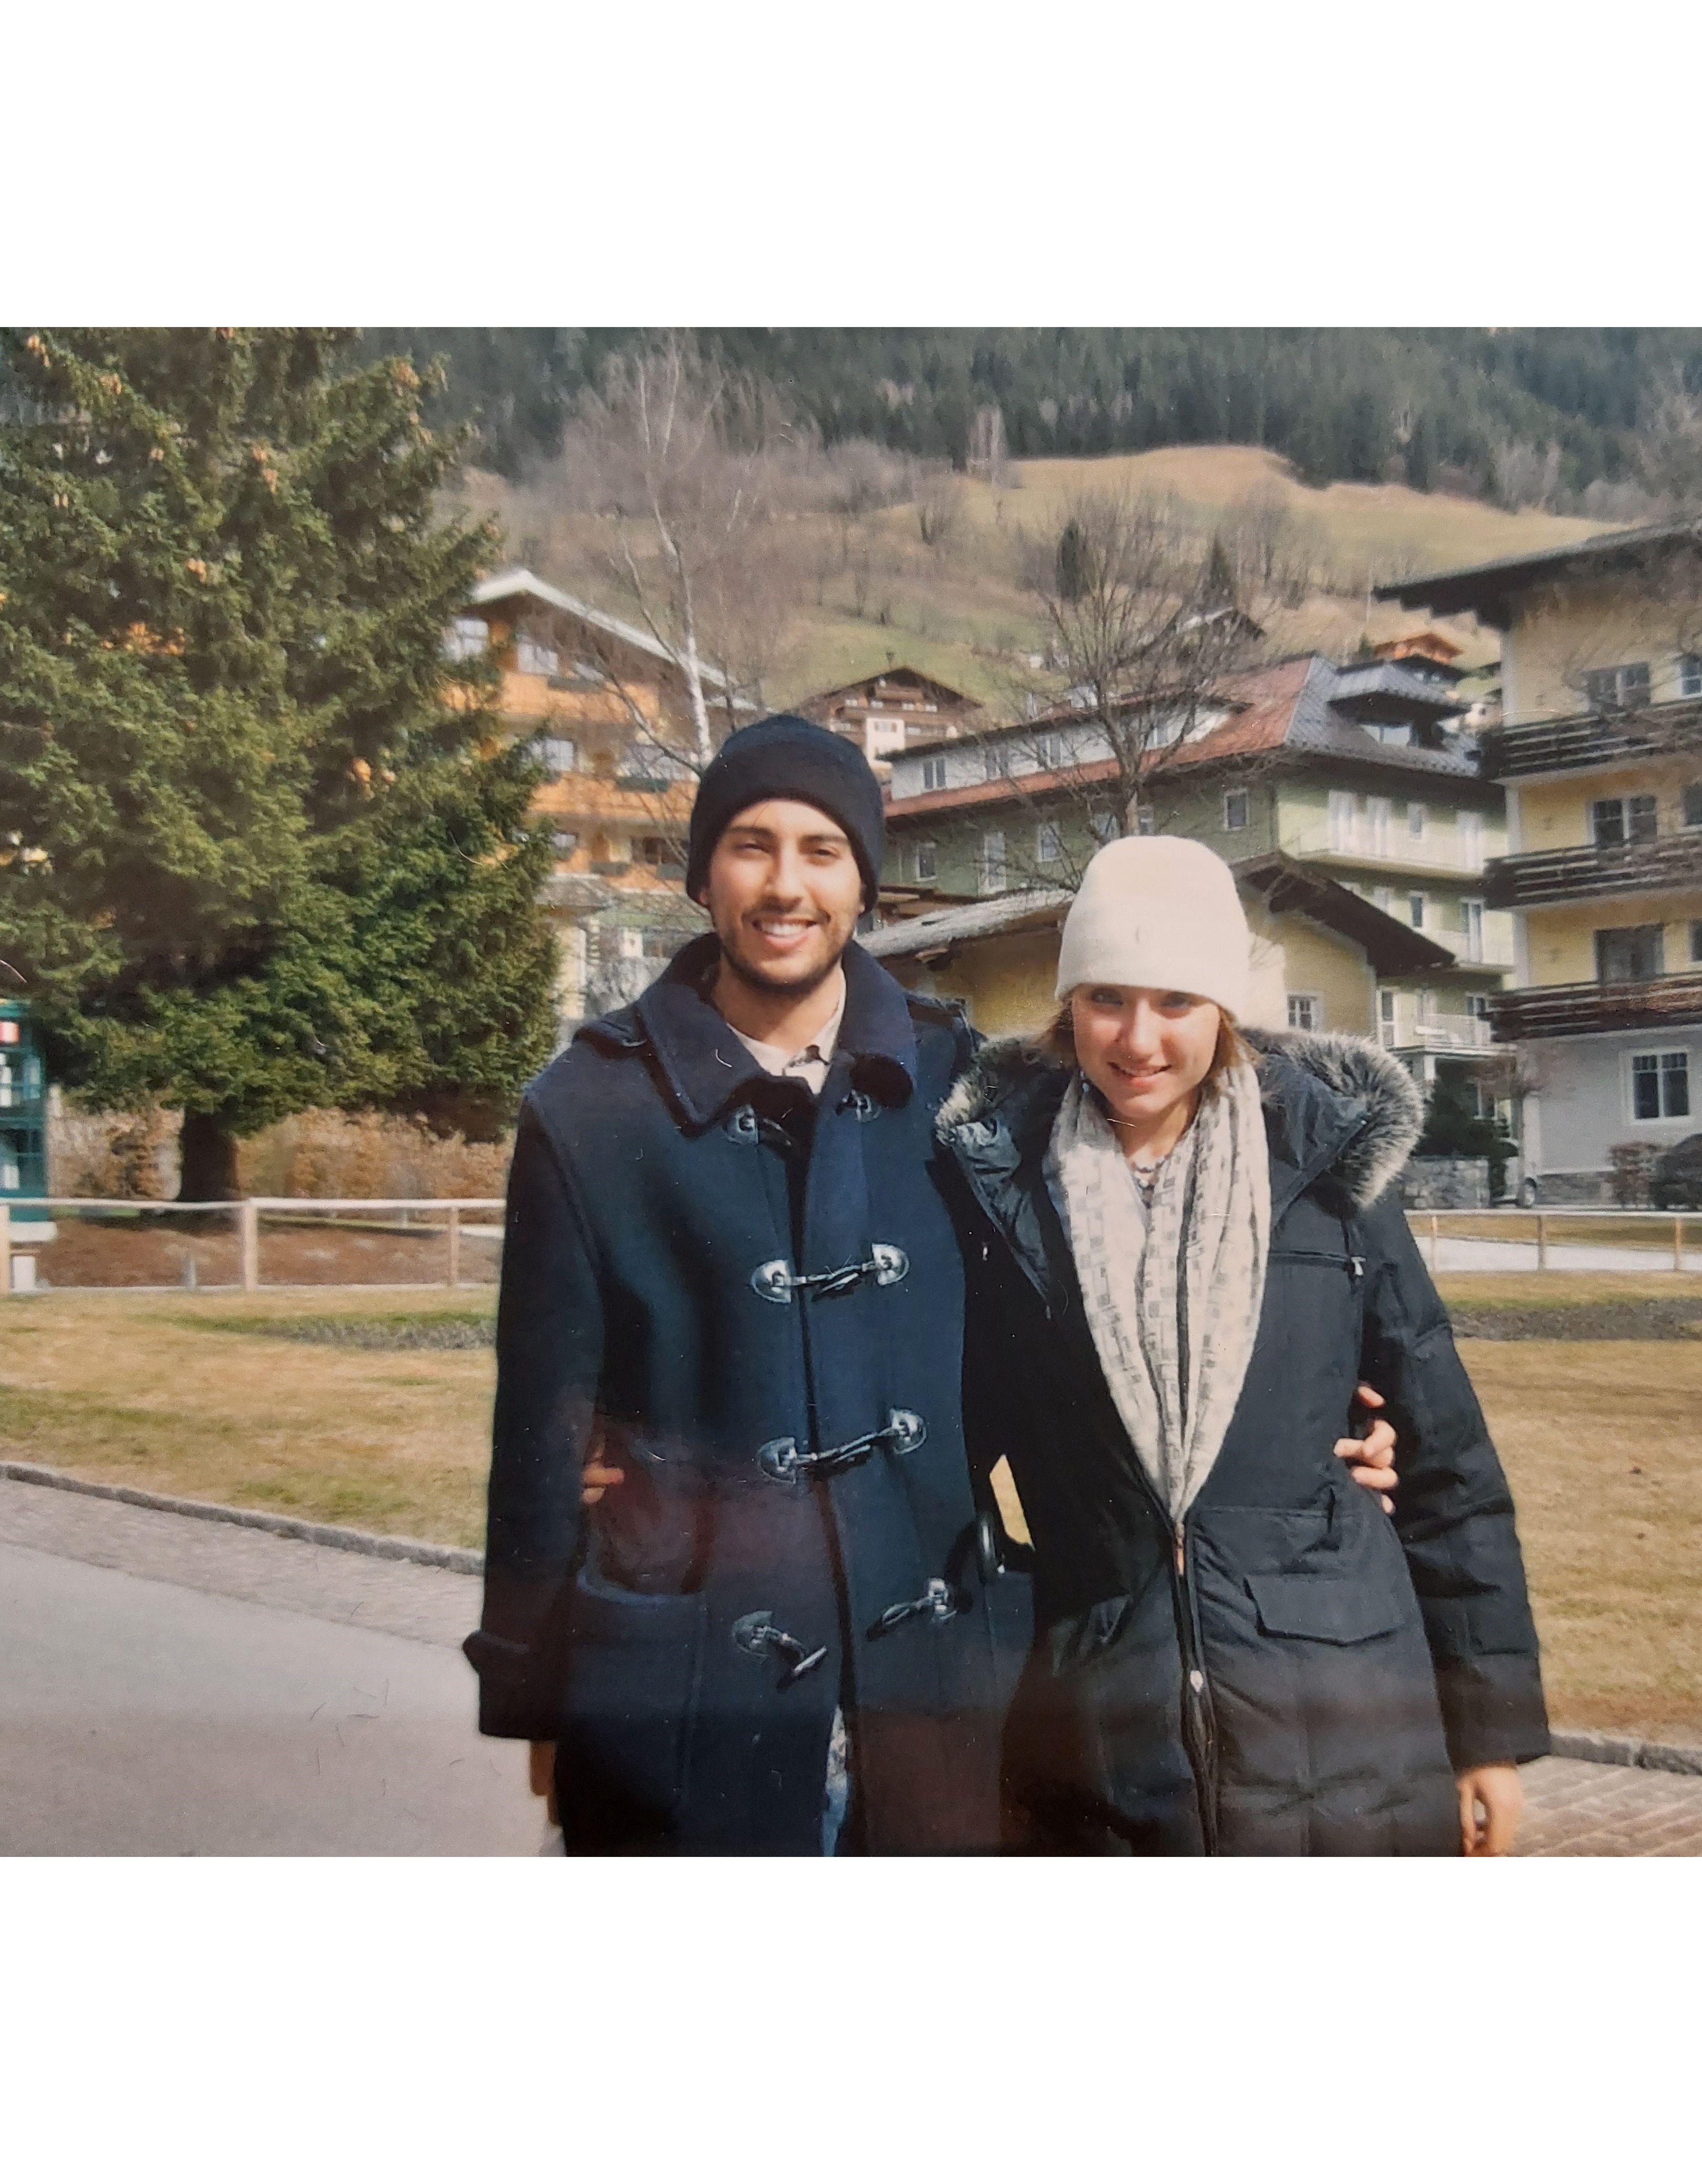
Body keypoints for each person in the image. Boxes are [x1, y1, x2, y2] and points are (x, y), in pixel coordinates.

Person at [469, 715, 1403, 1854]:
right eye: (749, 846)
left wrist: (1310, 1441)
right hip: (685, 1685)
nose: (784, 885)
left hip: (943, 1685)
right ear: (702, 872)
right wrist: (532, 1686)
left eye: (822, 851)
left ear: (862, 880)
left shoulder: (960, 1087)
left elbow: (1122, 1268)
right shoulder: (585, 1107)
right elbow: (537, 1430)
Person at [937, 834, 1549, 1856]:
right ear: (1066, 1005)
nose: (1138, 1039)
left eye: (1176, 1001)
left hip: (1346, 1731)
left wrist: (1486, 1736)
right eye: (1106, 998)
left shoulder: (1325, 1173)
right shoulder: (1000, 1190)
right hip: (1099, 1738)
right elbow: (935, 1443)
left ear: (1223, 1011)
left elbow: (1447, 1466)